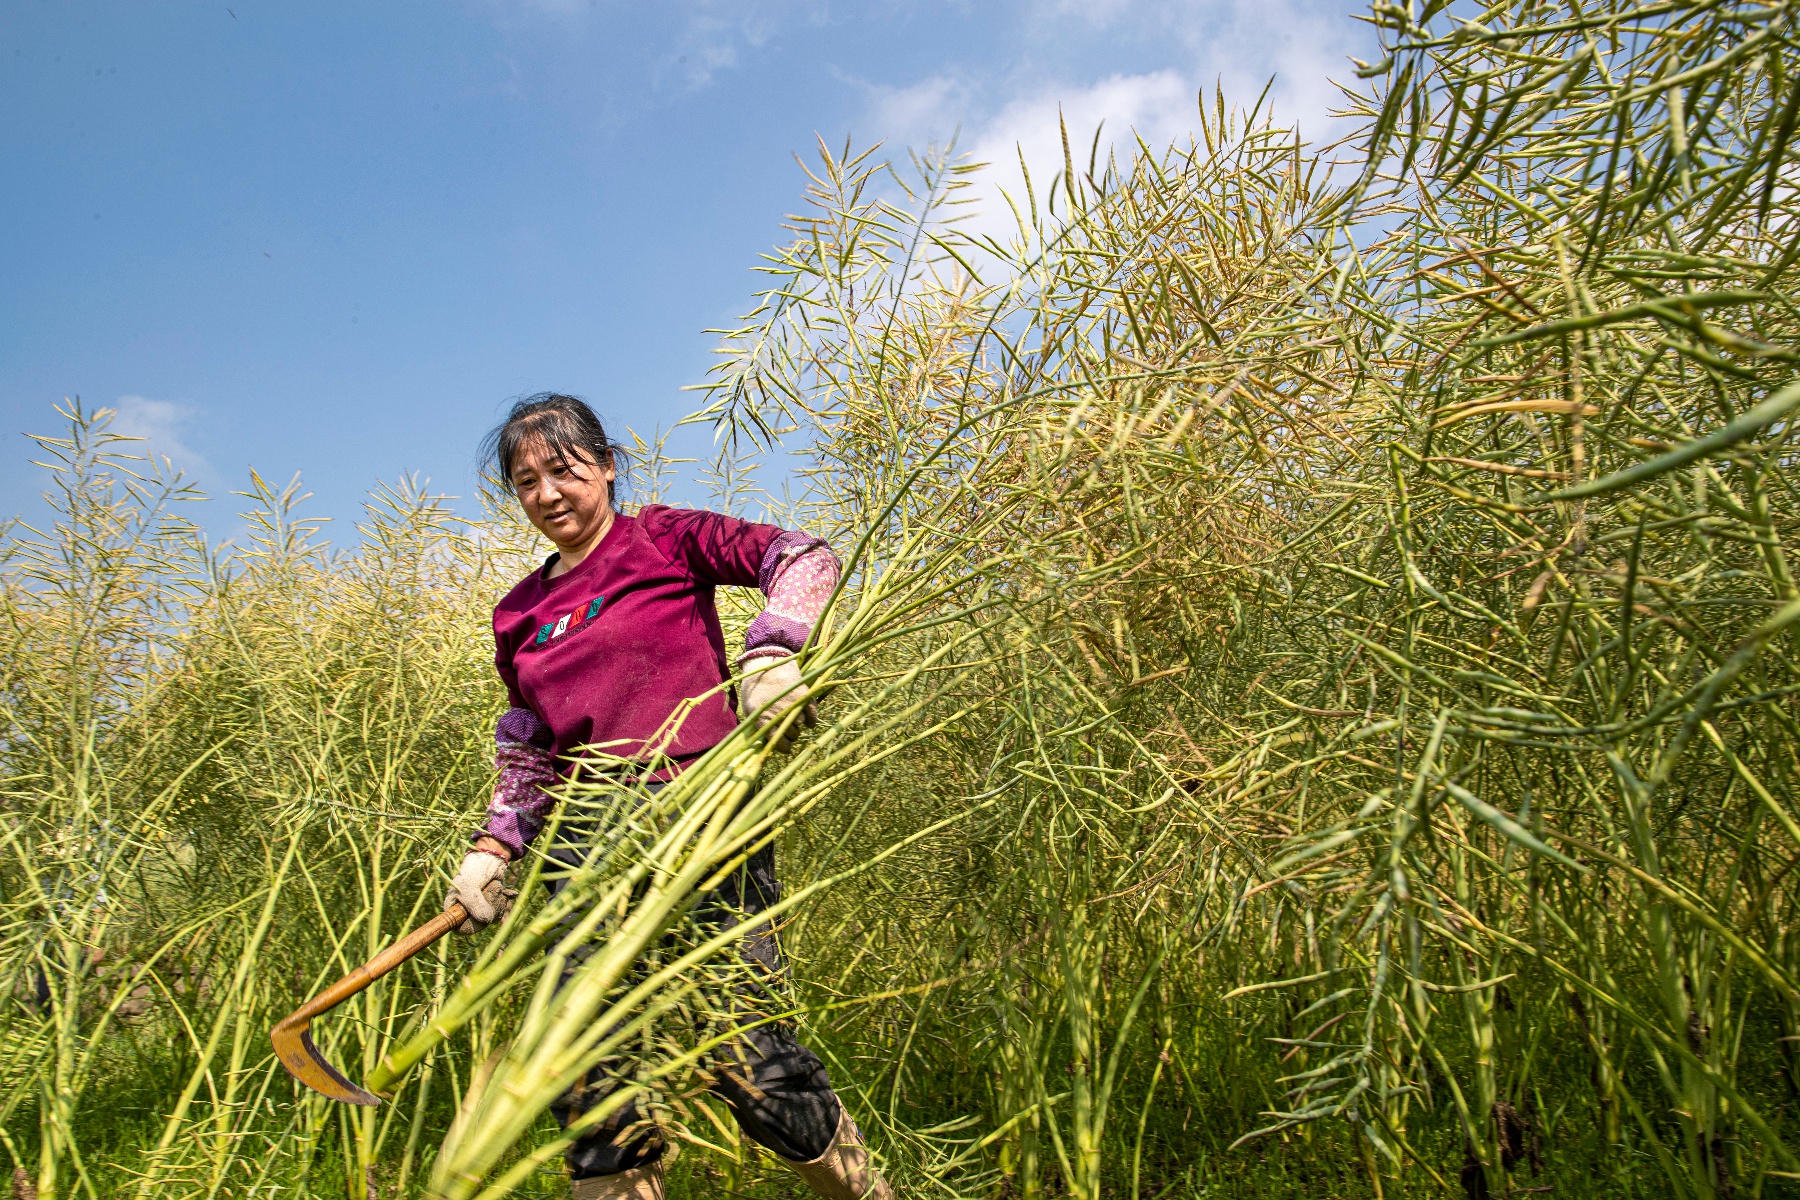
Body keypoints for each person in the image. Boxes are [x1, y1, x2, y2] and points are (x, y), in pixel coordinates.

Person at [443, 394, 892, 1200]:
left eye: (564, 470)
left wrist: (773, 650)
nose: (547, 494)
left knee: (744, 1052)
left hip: (703, 817)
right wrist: (492, 848)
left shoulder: (662, 536)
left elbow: (803, 556)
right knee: (587, 1069)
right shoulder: (519, 612)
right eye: (526, 481)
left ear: (607, 465)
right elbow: (528, 743)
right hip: (585, 846)